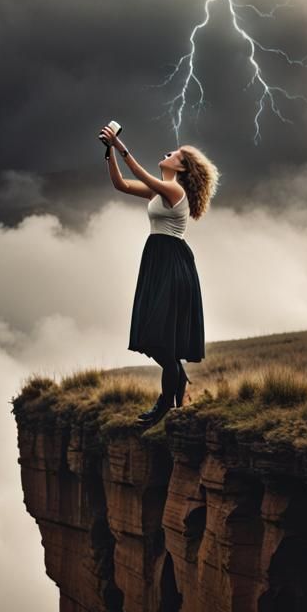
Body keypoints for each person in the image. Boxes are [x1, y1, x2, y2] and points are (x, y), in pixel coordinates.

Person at [99, 125, 219, 426]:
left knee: (158, 333)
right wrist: (109, 151)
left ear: (182, 167)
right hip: (158, 259)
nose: (168, 153)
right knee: (153, 334)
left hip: (173, 262)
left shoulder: (174, 190)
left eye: (175, 154)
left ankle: (166, 401)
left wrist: (120, 144)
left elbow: (138, 173)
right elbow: (121, 185)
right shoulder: (159, 190)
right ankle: (177, 379)